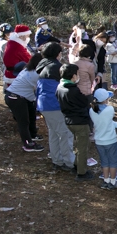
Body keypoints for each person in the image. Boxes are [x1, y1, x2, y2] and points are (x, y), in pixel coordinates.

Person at [36, 43, 75, 172]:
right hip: (55, 105)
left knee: (53, 132)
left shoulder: (42, 65)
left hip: (43, 104)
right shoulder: (57, 67)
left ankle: (56, 159)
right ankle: (69, 162)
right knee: (65, 134)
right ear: (57, 54)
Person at [56, 63, 93, 181]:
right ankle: (81, 172)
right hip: (80, 121)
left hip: (69, 120)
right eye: (77, 74)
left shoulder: (60, 87)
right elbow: (83, 102)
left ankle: (77, 164)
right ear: (73, 76)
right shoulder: (72, 90)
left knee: (77, 144)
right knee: (83, 147)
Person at [5, 53, 44, 152]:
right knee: (23, 122)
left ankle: (32, 134)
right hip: (15, 98)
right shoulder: (35, 74)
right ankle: (28, 144)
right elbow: (38, 89)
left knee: (31, 115)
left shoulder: (27, 69)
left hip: (21, 97)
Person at [90, 88, 117, 190]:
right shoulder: (110, 109)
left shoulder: (91, 110)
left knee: (104, 161)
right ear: (104, 99)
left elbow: (106, 122)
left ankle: (106, 180)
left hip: (99, 141)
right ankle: (113, 181)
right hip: (110, 140)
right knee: (113, 161)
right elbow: (108, 121)